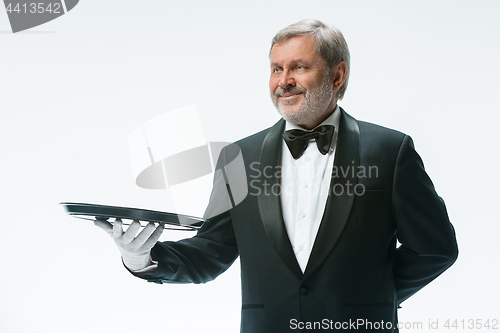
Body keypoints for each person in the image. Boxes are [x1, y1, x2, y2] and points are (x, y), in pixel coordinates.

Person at [95, 19, 458, 332]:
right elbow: (211, 251)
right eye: (275, 69)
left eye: (298, 67)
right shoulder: (238, 157)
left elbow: (435, 248)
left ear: (337, 75)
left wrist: (370, 298)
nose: (283, 81)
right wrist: (142, 258)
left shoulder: (390, 151)